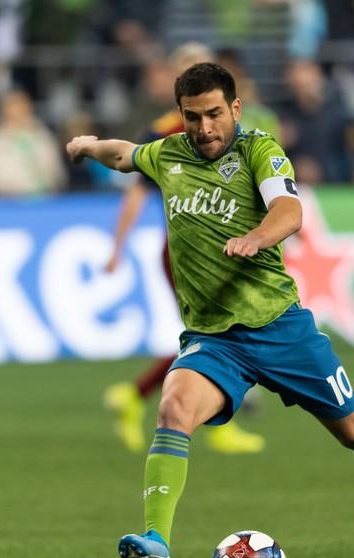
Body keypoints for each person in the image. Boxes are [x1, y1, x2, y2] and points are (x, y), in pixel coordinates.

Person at [67, 63, 354, 558]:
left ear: (234, 109)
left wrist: (257, 237)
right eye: (193, 117)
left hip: (280, 326)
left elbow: (289, 210)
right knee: (173, 408)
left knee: (351, 429)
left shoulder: (260, 150)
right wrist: (89, 146)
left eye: (215, 114)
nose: (205, 128)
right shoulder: (168, 155)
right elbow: (124, 155)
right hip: (215, 339)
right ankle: (157, 541)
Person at [102, 43, 266, 456]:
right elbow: (137, 192)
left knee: (216, 336)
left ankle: (139, 395)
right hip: (188, 252)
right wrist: (117, 247)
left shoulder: (227, 130)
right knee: (216, 337)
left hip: (222, 248)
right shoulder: (167, 132)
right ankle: (195, 416)